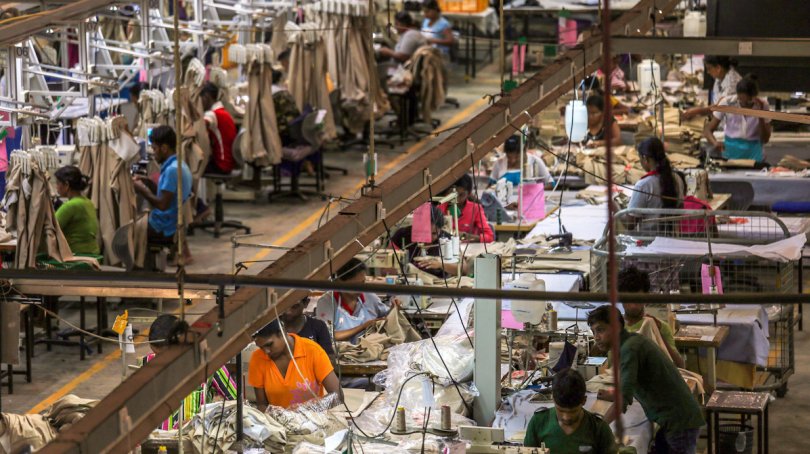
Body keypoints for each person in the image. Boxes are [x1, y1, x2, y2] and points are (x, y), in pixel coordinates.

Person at [587, 305, 704, 454]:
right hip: (675, 419)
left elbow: (623, 400)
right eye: (593, 332)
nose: (596, 337)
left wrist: (599, 429)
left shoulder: (629, 349)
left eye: (600, 330)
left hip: (679, 423)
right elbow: (631, 385)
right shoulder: (632, 341)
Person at [143, 315, 237, 430]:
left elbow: (237, 404)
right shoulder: (148, 363)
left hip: (193, 440)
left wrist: (201, 421)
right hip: (157, 441)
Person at [248, 320, 340, 410]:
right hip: (277, 422)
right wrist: (281, 417)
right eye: (261, 347)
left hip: (314, 420)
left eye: (269, 344)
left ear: (282, 333)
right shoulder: (258, 358)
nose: (266, 351)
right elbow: (262, 405)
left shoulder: (312, 351)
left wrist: (305, 409)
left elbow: (338, 395)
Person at [524, 368, 617, 453]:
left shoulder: (599, 429)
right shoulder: (538, 423)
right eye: (560, 410)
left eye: (573, 411)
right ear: (553, 398)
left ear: (584, 400)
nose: (566, 417)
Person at [133, 126, 193, 255]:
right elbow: (167, 195)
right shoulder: (179, 164)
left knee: (125, 228)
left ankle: (137, 268)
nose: (153, 153)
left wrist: (140, 189)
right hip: (171, 220)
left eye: (154, 149)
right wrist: (147, 182)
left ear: (164, 148)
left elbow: (162, 204)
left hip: (163, 226)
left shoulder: (172, 171)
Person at [315, 258, 399, 343]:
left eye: (363, 282)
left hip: (370, 352)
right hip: (340, 354)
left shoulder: (370, 297)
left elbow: (387, 317)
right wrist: (362, 327)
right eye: (355, 285)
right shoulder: (327, 302)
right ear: (339, 282)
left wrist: (394, 307)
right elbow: (327, 335)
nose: (361, 288)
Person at [619, 267, 684, 368]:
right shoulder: (615, 327)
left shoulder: (660, 327)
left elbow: (679, 365)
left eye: (637, 299)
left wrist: (658, 333)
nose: (633, 305)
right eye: (628, 299)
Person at [703, 76, 772, 162]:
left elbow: (765, 139)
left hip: (754, 153)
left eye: (748, 102)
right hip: (731, 152)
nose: (744, 105)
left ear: (754, 97)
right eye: (741, 101)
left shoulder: (763, 104)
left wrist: (761, 114)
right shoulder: (727, 103)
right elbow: (707, 130)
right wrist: (715, 143)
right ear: (737, 95)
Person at [54, 166, 100, 255]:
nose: (56, 187)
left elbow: (52, 228)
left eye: (58, 183)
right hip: (93, 253)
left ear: (66, 185)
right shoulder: (88, 202)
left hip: (77, 255)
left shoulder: (71, 206)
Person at [628, 137, 684, 211]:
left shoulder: (643, 185)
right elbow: (681, 205)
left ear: (645, 159)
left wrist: (615, 207)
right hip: (673, 223)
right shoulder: (677, 178)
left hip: (651, 223)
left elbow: (630, 218)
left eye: (640, 159)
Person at [681, 56, 742, 121]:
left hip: (732, 123)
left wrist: (697, 111)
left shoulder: (732, 83)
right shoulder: (720, 76)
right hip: (721, 119)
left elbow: (720, 107)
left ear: (718, 68)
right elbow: (717, 102)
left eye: (709, 68)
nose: (708, 72)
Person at [439, 174, 494, 243]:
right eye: (452, 195)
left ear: (469, 193)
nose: (457, 199)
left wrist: (466, 236)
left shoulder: (475, 209)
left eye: (461, 195)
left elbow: (489, 236)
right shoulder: (439, 207)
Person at [200, 82, 236, 175]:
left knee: (192, 167)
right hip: (228, 163)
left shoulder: (212, 114)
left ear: (206, 97)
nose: (200, 103)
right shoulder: (224, 112)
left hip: (221, 165)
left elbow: (198, 129)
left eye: (201, 99)